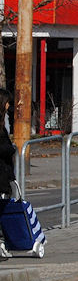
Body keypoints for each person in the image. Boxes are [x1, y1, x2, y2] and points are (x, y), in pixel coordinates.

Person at [0, 90, 15, 260]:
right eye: (7, 102)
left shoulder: (4, 123)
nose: (9, 105)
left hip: (4, 173)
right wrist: (11, 149)